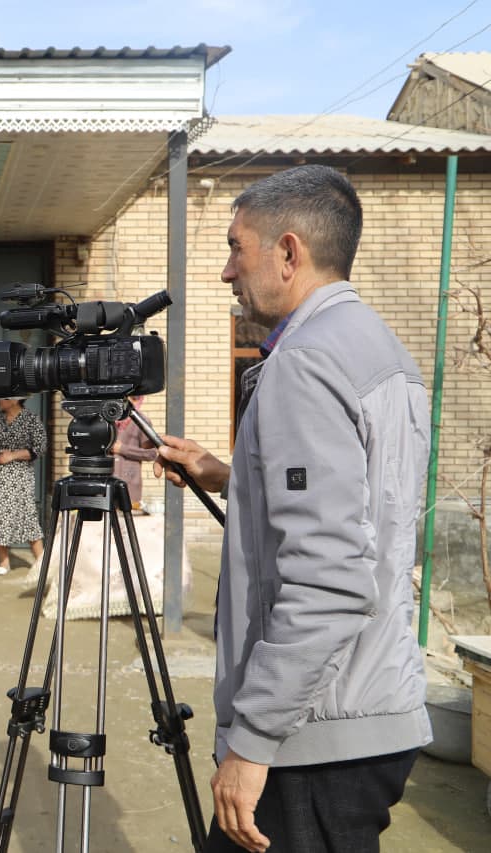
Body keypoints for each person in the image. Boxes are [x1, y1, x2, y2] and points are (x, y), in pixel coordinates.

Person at [155, 165, 431, 853]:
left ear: (287, 252)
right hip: (370, 703)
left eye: (235, 248)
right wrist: (226, 474)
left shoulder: (304, 363)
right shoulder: (381, 350)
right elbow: (361, 507)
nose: (226, 271)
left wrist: (252, 741)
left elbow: (330, 579)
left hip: (312, 737)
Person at [0, 396, 46, 575]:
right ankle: (4, 562)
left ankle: (42, 561)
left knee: (27, 515)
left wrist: (13, 455)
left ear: (16, 400)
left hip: (20, 475)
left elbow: (40, 447)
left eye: (4, 398)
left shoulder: (31, 419)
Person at [113, 395, 157, 514]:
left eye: (135, 398)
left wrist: (123, 449)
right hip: (107, 485)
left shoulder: (142, 421)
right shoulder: (108, 419)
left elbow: (152, 453)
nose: (129, 402)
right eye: (126, 398)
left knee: (126, 529)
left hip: (130, 487)